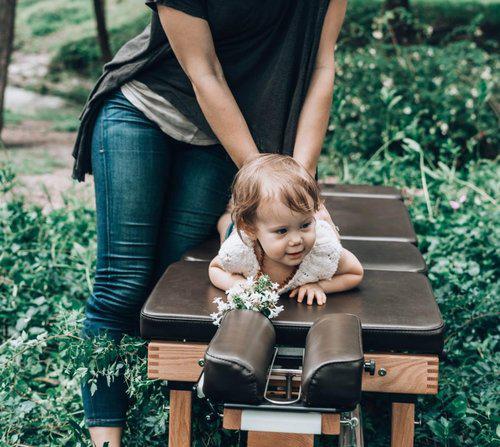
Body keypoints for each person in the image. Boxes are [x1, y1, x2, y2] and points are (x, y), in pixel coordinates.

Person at [71, 0, 348, 445]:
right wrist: (264, 184)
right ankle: (106, 437)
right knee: (123, 285)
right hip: (144, 109)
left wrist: (300, 186)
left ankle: (160, 403)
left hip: (219, 135)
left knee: (167, 279)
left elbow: (321, 65)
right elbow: (206, 73)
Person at [210, 155, 363, 304]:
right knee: (228, 229)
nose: (296, 240)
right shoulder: (241, 249)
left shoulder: (322, 249)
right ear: (251, 230)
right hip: (239, 232)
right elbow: (215, 268)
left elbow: (355, 272)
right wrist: (237, 283)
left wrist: (320, 286)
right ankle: (228, 216)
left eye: (305, 225)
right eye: (282, 231)